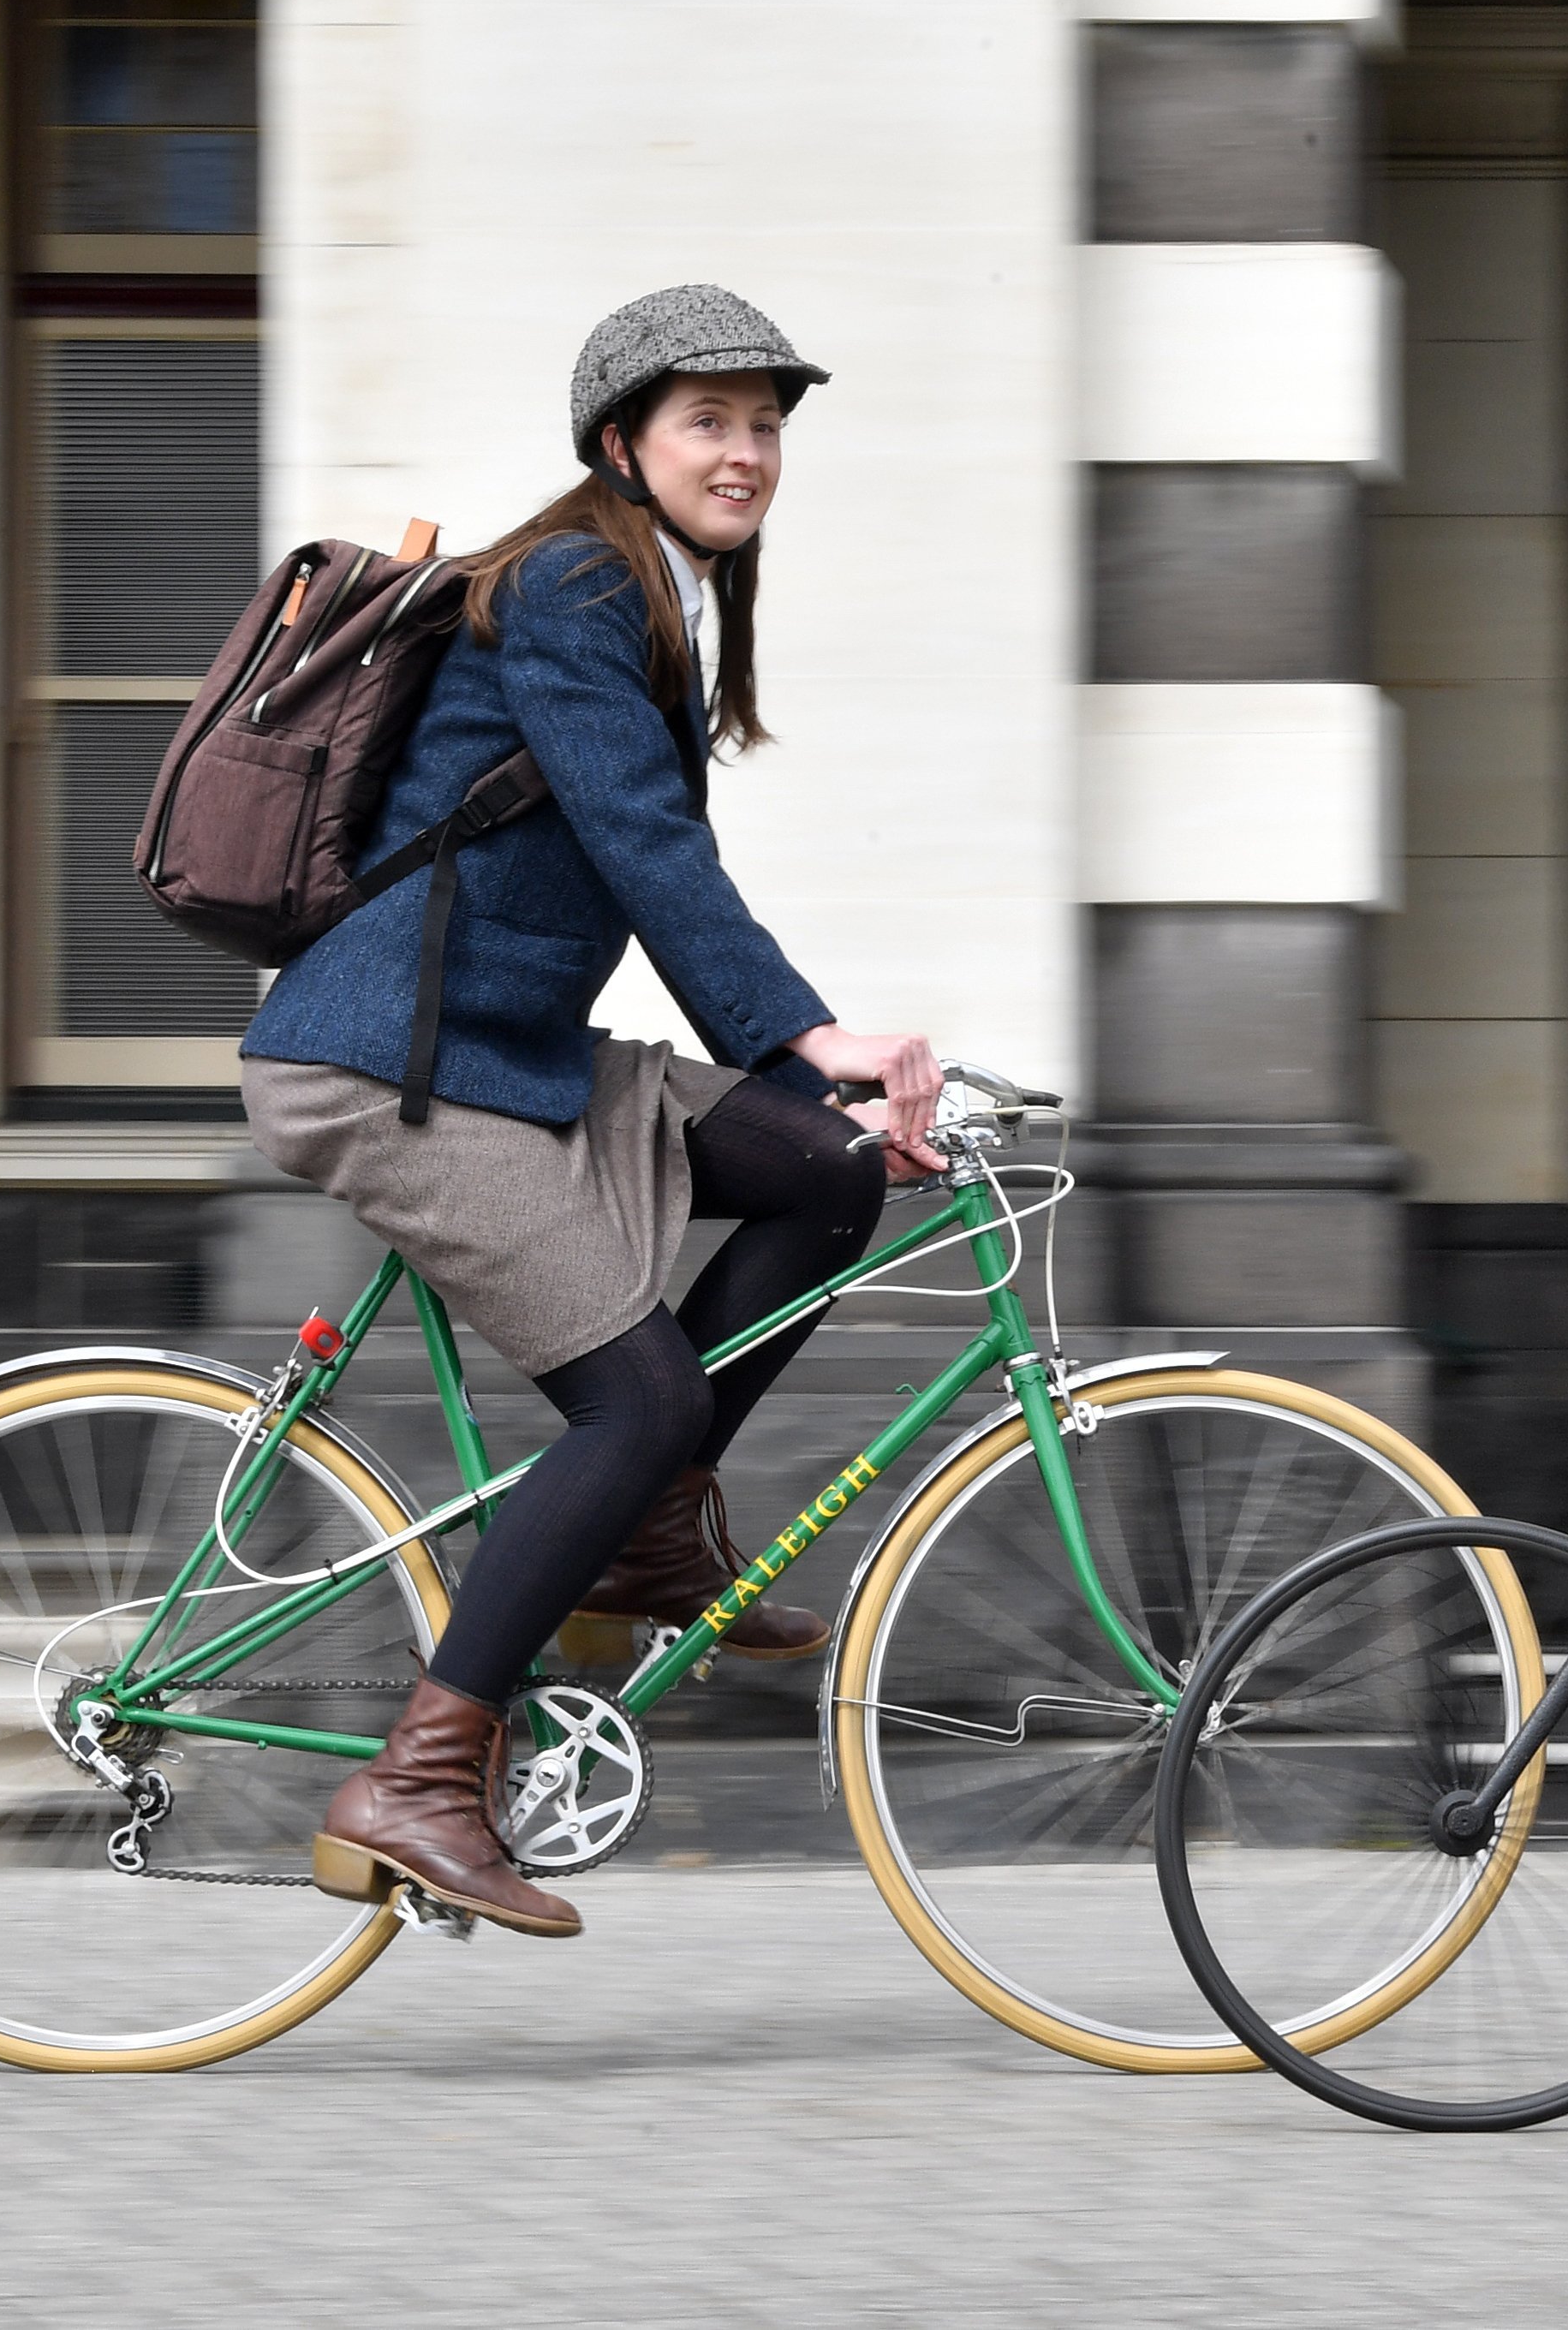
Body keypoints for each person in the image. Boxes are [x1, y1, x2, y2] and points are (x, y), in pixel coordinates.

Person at [242, 283, 943, 1936]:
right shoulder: (569, 580)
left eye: (766, 423)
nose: (748, 451)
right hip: (387, 1069)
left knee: (829, 1176)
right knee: (633, 1400)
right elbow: (647, 846)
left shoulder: (664, 596)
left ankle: (646, 1543)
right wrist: (802, 1027)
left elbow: (634, 852)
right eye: (711, 420)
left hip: (510, 1056)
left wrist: (803, 1080)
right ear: (621, 444)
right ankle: (418, 1777)